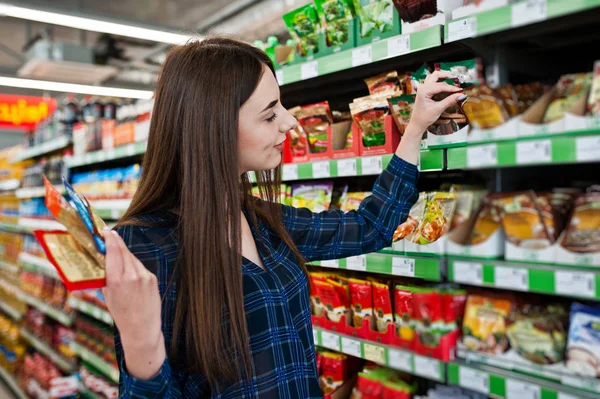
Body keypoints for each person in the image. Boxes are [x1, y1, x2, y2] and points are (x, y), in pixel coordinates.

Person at [103, 37, 465, 398]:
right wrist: (140, 346)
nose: (289, 121)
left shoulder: (263, 221)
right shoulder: (146, 245)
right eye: (269, 113)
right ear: (214, 127)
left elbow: (371, 227)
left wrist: (415, 127)